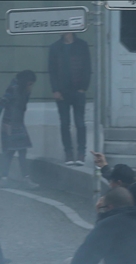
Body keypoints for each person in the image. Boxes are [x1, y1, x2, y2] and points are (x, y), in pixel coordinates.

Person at [48, 32, 91, 166]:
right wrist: (55, 89)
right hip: (62, 92)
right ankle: (68, 153)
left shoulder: (82, 45)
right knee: (64, 124)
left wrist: (83, 87)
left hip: (78, 90)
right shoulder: (55, 47)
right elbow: (52, 70)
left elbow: (87, 67)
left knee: (80, 123)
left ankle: (81, 153)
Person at [0, 70, 38, 189]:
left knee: (22, 151)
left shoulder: (24, 91)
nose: (31, 87)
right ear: (25, 82)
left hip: (18, 123)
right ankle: (4, 177)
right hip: (9, 124)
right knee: (9, 152)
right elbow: (2, 103)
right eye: (30, 83)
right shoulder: (13, 88)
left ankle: (24, 178)